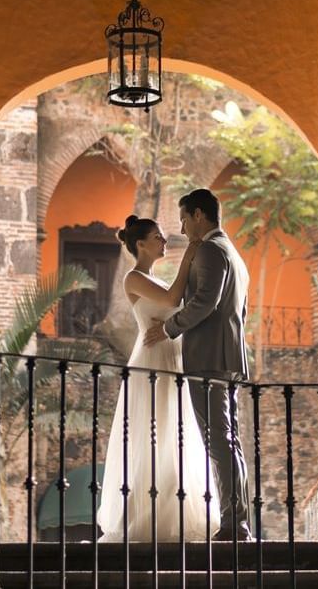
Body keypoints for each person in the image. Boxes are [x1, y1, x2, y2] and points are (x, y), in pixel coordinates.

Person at [95, 216, 216, 542]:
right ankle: (142, 517)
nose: (164, 242)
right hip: (150, 363)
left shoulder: (155, 279)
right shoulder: (133, 278)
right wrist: (190, 254)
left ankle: (172, 513)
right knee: (152, 438)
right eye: (158, 237)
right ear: (141, 245)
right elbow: (173, 300)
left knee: (171, 438)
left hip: (170, 360)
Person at [143, 188, 253, 541]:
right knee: (227, 439)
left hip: (208, 359)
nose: (183, 226)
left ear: (199, 215)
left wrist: (169, 329)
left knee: (218, 440)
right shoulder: (232, 252)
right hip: (228, 357)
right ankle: (238, 519)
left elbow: (206, 300)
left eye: (185, 218)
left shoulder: (209, 249)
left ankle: (235, 523)